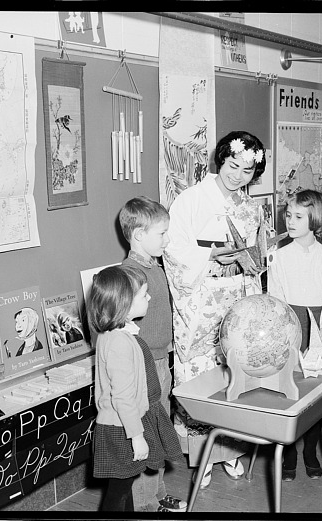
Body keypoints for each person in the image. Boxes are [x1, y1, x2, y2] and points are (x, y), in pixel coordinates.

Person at [163, 130, 266, 489]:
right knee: (198, 376)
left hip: (235, 297)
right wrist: (208, 255)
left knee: (232, 373)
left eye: (247, 172)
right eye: (233, 165)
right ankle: (200, 453)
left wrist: (252, 266)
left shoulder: (251, 207)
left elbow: (255, 252)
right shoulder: (190, 200)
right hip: (200, 299)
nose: (237, 176)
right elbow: (172, 250)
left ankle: (231, 450)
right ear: (221, 159)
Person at [87, 265, 183, 512]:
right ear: (124, 303)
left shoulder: (115, 335)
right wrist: (137, 437)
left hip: (120, 425)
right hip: (122, 428)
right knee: (118, 493)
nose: (149, 297)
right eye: (143, 294)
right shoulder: (120, 343)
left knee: (122, 487)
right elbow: (123, 397)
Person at [118, 195, 187, 512]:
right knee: (146, 436)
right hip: (144, 368)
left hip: (161, 362)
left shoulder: (154, 266)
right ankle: (144, 504)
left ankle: (157, 494)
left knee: (159, 432)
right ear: (138, 235)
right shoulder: (130, 274)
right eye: (161, 233)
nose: (167, 239)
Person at [267, 189, 322, 481]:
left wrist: (319, 341)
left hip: (320, 330)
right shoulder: (279, 258)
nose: (291, 221)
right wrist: (289, 339)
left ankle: (310, 451)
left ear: (315, 219)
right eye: (288, 215)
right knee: (288, 394)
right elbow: (276, 302)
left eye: (299, 216)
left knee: (314, 398)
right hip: (289, 329)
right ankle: (288, 455)